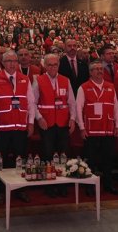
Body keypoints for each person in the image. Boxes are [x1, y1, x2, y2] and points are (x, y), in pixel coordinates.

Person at [0, 49, 35, 203]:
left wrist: (31, 122)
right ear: (2, 63)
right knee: (1, 161)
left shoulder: (25, 79)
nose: (12, 64)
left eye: (14, 61)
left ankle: (20, 190)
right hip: (2, 128)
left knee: (20, 160)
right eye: (9, 61)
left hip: (20, 127)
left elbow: (31, 103)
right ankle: (1, 191)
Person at [32, 53, 77, 197]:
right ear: (44, 65)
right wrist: (39, 118)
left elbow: (72, 102)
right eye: (49, 65)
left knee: (63, 156)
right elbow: (32, 102)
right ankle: (49, 186)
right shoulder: (38, 80)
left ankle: (63, 185)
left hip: (63, 124)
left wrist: (73, 119)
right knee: (48, 156)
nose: (52, 67)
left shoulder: (66, 80)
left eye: (55, 64)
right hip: (47, 124)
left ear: (59, 65)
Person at [77, 59, 118, 195]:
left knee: (108, 159)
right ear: (90, 72)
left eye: (101, 69)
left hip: (108, 128)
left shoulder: (110, 86)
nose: (99, 71)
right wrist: (82, 128)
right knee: (91, 160)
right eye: (96, 69)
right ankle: (89, 186)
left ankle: (108, 185)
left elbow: (116, 107)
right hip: (91, 129)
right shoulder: (83, 87)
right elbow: (79, 108)